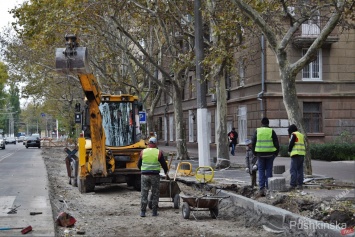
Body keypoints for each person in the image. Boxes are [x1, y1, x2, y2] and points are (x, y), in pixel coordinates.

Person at [137, 137, 169, 217]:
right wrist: (166, 171)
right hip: (155, 175)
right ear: (155, 144)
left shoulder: (143, 152)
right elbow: (163, 164)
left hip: (144, 175)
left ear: (148, 143)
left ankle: (143, 212)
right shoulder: (158, 152)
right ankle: (154, 212)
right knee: (155, 193)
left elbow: (138, 164)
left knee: (144, 193)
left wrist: (142, 170)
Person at [252, 117, 279, 196]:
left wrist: (254, 153)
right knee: (269, 170)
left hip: (260, 154)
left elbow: (253, 142)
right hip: (270, 154)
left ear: (261, 123)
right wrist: (276, 153)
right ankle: (268, 188)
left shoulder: (257, 131)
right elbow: (276, 143)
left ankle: (261, 188)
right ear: (268, 123)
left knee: (261, 170)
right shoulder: (271, 131)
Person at [288, 124, 305, 191]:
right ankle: (300, 185)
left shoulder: (294, 134)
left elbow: (291, 143)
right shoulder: (301, 135)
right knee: (300, 170)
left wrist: (289, 150)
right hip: (302, 154)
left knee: (293, 170)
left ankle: (292, 185)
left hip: (295, 154)